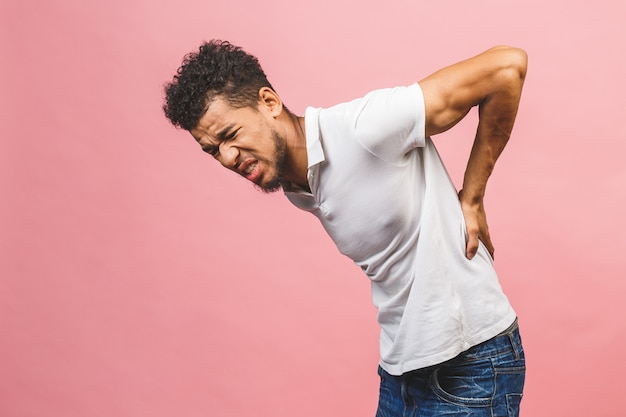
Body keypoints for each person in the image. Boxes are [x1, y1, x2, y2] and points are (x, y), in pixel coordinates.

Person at [163, 40, 528, 416]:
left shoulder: (361, 128)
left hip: (470, 363)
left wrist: (472, 196)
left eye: (229, 135)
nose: (227, 158)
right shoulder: (294, 183)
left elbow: (506, 67)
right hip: (401, 370)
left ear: (269, 103)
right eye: (212, 150)